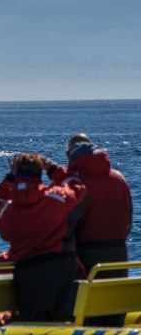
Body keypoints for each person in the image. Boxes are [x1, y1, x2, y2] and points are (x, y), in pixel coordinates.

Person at [0, 153, 87, 322]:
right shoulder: (56, 197)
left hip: (28, 274)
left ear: (16, 175)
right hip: (61, 270)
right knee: (64, 321)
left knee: (33, 322)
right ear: (39, 174)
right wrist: (53, 169)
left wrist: (10, 178)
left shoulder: (7, 211)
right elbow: (77, 186)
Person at [44, 134, 132, 326]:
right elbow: (129, 220)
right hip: (119, 257)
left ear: (71, 155)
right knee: (113, 315)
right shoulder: (119, 179)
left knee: (84, 314)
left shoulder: (77, 183)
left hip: (86, 260)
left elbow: (65, 225)